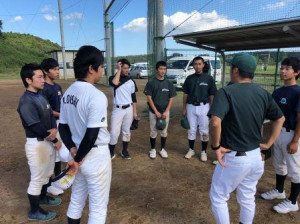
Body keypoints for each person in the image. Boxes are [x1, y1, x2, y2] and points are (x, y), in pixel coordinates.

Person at [208, 53, 285, 224]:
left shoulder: (226, 91)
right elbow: (280, 119)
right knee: (247, 197)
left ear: (236, 70)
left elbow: (215, 122)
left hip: (236, 157)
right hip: (257, 157)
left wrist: (216, 147)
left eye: (231, 67)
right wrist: (269, 143)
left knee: (218, 197)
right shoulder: (263, 93)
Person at [58, 45, 111, 224]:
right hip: (94, 155)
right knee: (97, 207)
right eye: (101, 66)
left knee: (76, 200)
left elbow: (63, 128)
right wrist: (78, 158)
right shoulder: (96, 95)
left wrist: (74, 151)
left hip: (78, 151)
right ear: (91, 68)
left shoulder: (68, 93)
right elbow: (92, 135)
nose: (102, 69)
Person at [17, 63, 62, 221]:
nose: (43, 80)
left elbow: (50, 115)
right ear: (28, 80)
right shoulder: (26, 101)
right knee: (37, 178)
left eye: (43, 76)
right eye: (40, 77)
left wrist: (54, 130)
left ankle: (43, 198)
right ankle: (34, 211)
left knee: (47, 173)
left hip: (47, 141)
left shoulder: (40, 95)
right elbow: (35, 126)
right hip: (37, 144)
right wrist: (55, 138)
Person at [261, 57, 300, 214]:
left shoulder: (298, 92)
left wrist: (295, 141)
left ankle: (292, 201)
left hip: (291, 134)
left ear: (297, 72)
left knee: (295, 169)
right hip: (278, 133)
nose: (283, 71)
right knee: (279, 164)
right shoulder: (278, 92)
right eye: (282, 68)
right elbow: (272, 117)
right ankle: (279, 190)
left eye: (287, 68)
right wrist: (270, 138)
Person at [182, 56, 217, 161]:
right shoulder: (189, 78)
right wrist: (184, 108)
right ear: (193, 65)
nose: (197, 66)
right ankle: (191, 149)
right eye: (195, 64)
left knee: (204, 130)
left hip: (204, 107)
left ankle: (203, 151)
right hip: (191, 106)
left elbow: (212, 95)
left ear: (203, 65)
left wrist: (212, 109)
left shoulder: (208, 78)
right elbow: (185, 94)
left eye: (199, 64)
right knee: (191, 129)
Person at [40, 58, 65, 196]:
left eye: (58, 68)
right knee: (53, 152)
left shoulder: (57, 87)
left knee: (59, 151)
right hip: (52, 123)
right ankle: (51, 183)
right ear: (45, 71)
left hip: (61, 121)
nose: (57, 71)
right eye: (54, 69)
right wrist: (61, 114)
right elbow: (47, 110)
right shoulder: (44, 89)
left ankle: (57, 179)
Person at [144, 61, 176, 159]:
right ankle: (153, 149)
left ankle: (162, 149)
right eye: (161, 69)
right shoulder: (151, 82)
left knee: (164, 131)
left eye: (164, 69)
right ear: (157, 69)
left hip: (165, 111)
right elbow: (149, 98)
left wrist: (166, 111)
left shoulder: (169, 83)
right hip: (154, 111)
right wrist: (156, 111)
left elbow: (171, 98)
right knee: (153, 131)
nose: (163, 71)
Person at [108, 58, 138, 160]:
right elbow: (115, 83)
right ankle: (110, 153)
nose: (127, 70)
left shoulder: (131, 81)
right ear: (119, 67)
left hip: (128, 109)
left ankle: (124, 151)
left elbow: (134, 98)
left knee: (126, 131)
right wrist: (119, 70)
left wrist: (135, 112)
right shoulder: (112, 78)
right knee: (113, 132)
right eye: (124, 68)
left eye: (127, 68)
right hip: (118, 109)